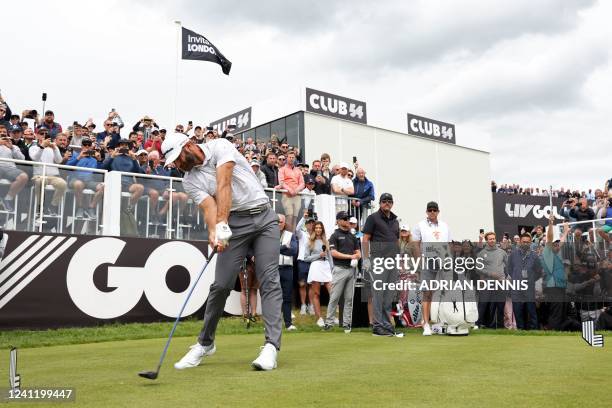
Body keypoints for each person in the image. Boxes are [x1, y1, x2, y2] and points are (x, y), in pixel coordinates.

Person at [162, 132, 283, 371]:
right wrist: (214, 231)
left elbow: (223, 183)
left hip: (263, 218)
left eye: (177, 158)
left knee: (269, 279)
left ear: (188, 145)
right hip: (234, 223)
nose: (176, 165)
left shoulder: (219, 146)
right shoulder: (188, 179)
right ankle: (205, 343)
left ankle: (271, 347)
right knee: (221, 285)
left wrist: (221, 223)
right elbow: (209, 205)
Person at [362, 193, 402, 337]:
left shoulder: (395, 220)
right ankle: (377, 326)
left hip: (392, 261)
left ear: (392, 203)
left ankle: (386, 324)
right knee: (378, 295)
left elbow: (396, 241)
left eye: (389, 201)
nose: (387, 203)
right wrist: (366, 259)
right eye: (384, 201)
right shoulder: (372, 218)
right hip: (378, 261)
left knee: (388, 295)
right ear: (380, 203)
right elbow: (365, 239)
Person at [412, 201, 451, 336]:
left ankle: (444, 321)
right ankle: (426, 323)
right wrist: (419, 260)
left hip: (443, 262)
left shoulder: (445, 226)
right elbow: (416, 245)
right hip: (428, 261)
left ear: (438, 212)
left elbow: (449, 244)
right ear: (427, 212)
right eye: (430, 210)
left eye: (434, 210)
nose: (432, 212)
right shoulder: (420, 225)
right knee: (427, 292)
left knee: (443, 291)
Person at [323, 211, 361, 333]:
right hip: (339, 269)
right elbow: (333, 253)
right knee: (334, 297)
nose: (347, 221)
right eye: (344, 219)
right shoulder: (335, 235)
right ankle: (329, 323)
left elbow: (358, 252)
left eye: (348, 219)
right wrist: (351, 257)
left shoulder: (353, 236)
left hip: (351, 270)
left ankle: (346, 324)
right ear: (338, 221)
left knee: (349, 298)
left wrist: (356, 256)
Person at [507, 233, 543, 330]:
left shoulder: (534, 256)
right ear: (519, 242)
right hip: (517, 287)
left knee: (531, 312)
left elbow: (539, 271)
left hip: (529, 288)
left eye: (528, 242)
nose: (526, 244)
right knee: (518, 311)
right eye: (524, 242)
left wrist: (530, 279)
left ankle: (534, 331)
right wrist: (517, 277)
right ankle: (521, 331)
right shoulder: (513, 254)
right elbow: (509, 269)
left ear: (530, 242)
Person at [28, 127, 66, 216]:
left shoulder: (52, 148)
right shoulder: (33, 147)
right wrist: (42, 147)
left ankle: (53, 206)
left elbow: (59, 161)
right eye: (41, 133)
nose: (44, 135)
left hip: (53, 176)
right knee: (40, 181)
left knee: (63, 184)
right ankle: (40, 206)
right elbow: (34, 158)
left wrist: (55, 148)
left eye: (46, 133)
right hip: (39, 175)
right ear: (37, 135)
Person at [476, 232, 508, 329]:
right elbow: (477, 268)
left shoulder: (502, 252)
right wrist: (490, 274)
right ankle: (479, 324)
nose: (492, 240)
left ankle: (501, 326)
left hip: (500, 283)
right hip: (487, 283)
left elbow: (508, 267)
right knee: (484, 304)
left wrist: (506, 278)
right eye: (490, 239)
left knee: (500, 305)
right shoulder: (481, 253)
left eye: (493, 238)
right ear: (486, 240)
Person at [304, 220, 332, 327]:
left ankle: (331, 317)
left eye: (320, 228)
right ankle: (319, 318)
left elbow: (329, 257)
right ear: (314, 229)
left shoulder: (326, 241)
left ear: (322, 229)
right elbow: (306, 258)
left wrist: (332, 268)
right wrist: (318, 255)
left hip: (326, 267)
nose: (318, 230)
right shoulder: (309, 242)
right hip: (315, 266)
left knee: (332, 293)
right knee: (316, 293)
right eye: (316, 228)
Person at [0, 125, 28, 212]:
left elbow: (22, 159)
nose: (2, 134)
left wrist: (12, 147)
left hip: (10, 169)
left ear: (7, 134)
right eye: (0, 132)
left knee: (24, 177)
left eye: (4, 132)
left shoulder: (14, 146)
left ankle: (7, 199)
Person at [278, 214, 299, 331]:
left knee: (287, 297)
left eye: (281, 222)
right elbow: (269, 250)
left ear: (284, 223)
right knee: (274, 297)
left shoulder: (291, 235)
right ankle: (273, 325)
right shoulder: (270, 235)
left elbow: (294, 251)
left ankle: (288, 323)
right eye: (277, 221)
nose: (279, 224)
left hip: (287, 269)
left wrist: (278, 249)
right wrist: (284, 247)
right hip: (274, 268)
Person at [278, 151, 304, 231]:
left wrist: (296, 190)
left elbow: (302, 183)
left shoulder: (298, 170)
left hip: (297, 195)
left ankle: (292, 237)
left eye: (293, 157)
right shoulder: (282, 169)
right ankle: (287, 238)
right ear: (286, 158)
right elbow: (281, 182)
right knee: (289, 216)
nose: (291, 159)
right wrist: (290, 190)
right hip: (287, 195)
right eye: (290, 157)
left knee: (295, 217)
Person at [295, 210, 315, 315]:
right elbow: (297, 229)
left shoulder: (317, 235)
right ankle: (303, 305)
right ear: (306, 225)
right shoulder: (302, 234)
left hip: (312, 262)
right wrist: (304, 218)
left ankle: (311, 305)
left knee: (311, 284)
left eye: (312, 223)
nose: (310, 225)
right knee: (302, 284)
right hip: (302, 261)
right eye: (309, 223)